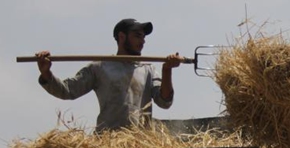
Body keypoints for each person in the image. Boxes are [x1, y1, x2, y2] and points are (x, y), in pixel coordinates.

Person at [35, 18, 183, 132]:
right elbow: (67, 90)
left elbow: (164, 102)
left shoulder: (148, 69)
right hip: (108, 145)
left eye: (144, 37)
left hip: (139, 146)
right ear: (122, 37)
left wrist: (167, 70)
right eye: (137, 36)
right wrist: (46, 73)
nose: (142, 41)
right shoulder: (100, 67)